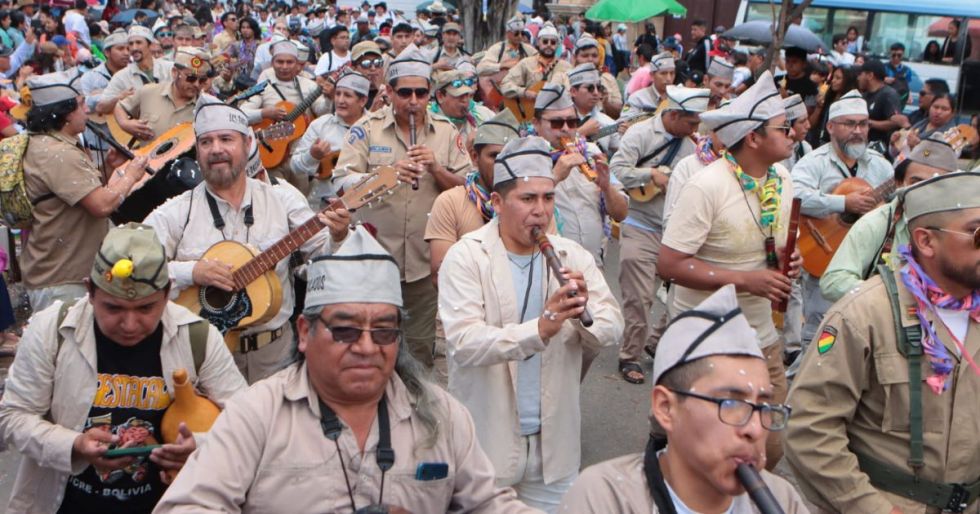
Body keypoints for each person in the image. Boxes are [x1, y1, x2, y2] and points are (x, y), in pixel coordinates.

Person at [154, 227, 538, 513]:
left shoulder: (442, 414)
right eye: (346, 330)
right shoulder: (258, 414)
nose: (367, 347)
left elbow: (490, 504)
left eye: (384, 331)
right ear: (305, 333)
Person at [0, 223, 247, 513]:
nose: (129, 325)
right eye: (113, 309)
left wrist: (198, 446)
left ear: (167, 294)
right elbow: (13, 417)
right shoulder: (53, 330)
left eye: (145, 309)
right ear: (90, 292)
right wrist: (74, 445)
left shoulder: (197, 337)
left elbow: (246, 422)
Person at [439, 136, 623, 513]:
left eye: (548, 198)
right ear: (496, 203)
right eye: (527, 199)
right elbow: (464, 342)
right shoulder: (466, 257)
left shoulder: (573, 255)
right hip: (486, 445)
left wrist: (583, 313)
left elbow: (611, 327)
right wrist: (542, 327)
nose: (540, 211)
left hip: (553, 448)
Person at [785, 171, 980, 514]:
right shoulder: (864, 315)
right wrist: (871, 508)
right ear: (926, 241)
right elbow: (809, 429)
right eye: (977, 233)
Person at [143, 102, 350, 384]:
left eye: (226, 139)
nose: (216, 149)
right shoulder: (175, 212)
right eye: (206, 142)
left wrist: (337, 237)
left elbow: (319, 266)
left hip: (275, 356)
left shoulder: (283, 200)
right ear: (198, 151)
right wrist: (191, 272)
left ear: (247, 142)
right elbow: (135, 270)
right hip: (202, 361)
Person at [558, 285, 809, 513]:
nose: (755, 429)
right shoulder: (606, 499)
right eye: (731, 404)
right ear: (666, 407)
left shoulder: (784, 499)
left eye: (764, 406)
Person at [659, 71, 799, 469]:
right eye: (783, 127)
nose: (792, 133)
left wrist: (790, 260)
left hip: (761, 334)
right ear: (753, 138)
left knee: (767, 447)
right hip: (705, 334)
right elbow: (669, 264)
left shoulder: (783, 178)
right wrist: (745, 279)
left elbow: (774, 244)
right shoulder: (707, 185)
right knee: (705, 449)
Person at [331, 43, 472, 368]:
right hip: (373, 259)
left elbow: (470, 187)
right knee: (370, 349)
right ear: (389, 92)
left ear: (429, 95)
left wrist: (436, 169)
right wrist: (388, 176)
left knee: (420, 354)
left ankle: (415, 415)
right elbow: (342, 183)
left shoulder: (448, 134)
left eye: (420, 93)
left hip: (424, 265)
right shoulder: (365, 130)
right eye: (404, 92)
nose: (413, 101)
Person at [21, 71, 149, 312]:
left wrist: (109, 167)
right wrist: (131, 174)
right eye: (80, 105)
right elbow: (101, 205)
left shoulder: (50, 144)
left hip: (62, 272)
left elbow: (77, 192)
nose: (86, 111)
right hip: (62, 279)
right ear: (63, 114)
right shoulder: (59, 154)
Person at [789, 89, 894, 372]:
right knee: (821, 330)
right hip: (823, 257)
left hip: (866, 265)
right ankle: (800, 389)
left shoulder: (882, 167)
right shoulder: (815, 162)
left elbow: (896, 206)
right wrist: (842, 202)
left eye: (863, 124)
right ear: (831, 126)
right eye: (849, 124)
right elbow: (794, 195)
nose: (858, 131)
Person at [611, 85, 708, 384]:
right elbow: (617, 169)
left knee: (683, 296)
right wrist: (650, 175)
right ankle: (630, 356)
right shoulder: (640, 134)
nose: (696, 129)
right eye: (692, 123)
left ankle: (654, 342)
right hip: (640, 224)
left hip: (676, 233)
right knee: (639, 298)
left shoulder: (695, 147)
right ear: (675, 115)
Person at [425, 110, 521, 382]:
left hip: (518, 327)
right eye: (493, 156)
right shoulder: (451, 202)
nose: (502, 164)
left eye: (508, 156)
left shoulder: (528, 205)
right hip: (461, 329)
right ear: (475, 158)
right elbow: (440, 275)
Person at [820, 136, 957, 305]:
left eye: (936, 185)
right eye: (916, 182)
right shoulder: (876, 222)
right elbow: (833, 281)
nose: (925, 191)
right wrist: (891, 297)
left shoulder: (964, 230)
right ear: (900, 183)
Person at [531, 80, 627, 268]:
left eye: (572, 122)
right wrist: (555, 176)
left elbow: (621, 213)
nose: (566, 129)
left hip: (592, 263)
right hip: (547, 264)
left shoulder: (591, 152)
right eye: (557, 123)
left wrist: (607, 187)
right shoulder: (523, 157)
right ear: (536, 124)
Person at [240, 40, 330, 194]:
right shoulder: (263, 85)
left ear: (297, 64)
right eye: (279, 62)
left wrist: (329, 97)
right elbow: (241, 114)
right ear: (272, 62)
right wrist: (264, 113)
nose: (284, 66)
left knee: (301, 200)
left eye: (290, 62)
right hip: (271, 154)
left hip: (298, 156)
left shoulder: (308, 85)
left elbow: (323, 112)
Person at [291, 71, 370, 208]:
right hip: (325, 206)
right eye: (338, 94)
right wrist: (312, 156)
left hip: (366, 205)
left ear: (362, 101)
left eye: (347, 95)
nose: (340, 100)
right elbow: (295, 167)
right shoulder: (321, 125)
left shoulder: (375, 126)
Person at [114, 47, 214, 143]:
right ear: (175, 73)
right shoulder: (149, 91)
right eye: (191, 78)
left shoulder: (206, 108)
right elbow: (120, 106)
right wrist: (125, 123)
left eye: (202, 80)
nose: (196, 84)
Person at [96, 26, 174, 117]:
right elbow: (100, 108)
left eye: (138, 43)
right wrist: (119, 98)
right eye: (131, 44)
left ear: (151, 45)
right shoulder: (122, 76)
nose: (134, 48)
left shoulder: (169, 68)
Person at [500, 23, 571, 104]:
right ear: (538, 42)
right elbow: (505, 85)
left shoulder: (566, 67)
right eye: (545, 41)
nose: (549, 45)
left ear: (557, 45)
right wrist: (525, 93)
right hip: (530, 112)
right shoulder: (526, 63)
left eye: (553, 42)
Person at [557, 34, 622, 118]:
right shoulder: (562, 78)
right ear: (575, 57)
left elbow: (619, 113)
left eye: (594, 56)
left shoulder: (607, 78)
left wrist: (606, 103)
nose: (590, 59)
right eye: (585, 56)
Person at [565, 63, 619, 155]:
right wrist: (580, 132)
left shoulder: (608, 123)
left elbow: (621, 154)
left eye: (598, 88)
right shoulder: (559, 120)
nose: (596, 93)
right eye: (590, 88)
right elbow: (552, 148)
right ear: (573, 92)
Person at [430, 68, 493, 143]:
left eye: (467, 95)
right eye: (458, 96)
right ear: (440, 96)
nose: (465, 100)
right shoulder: (428, 123)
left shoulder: (484, 115)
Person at [857, 59, 903, 150]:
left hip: (880, 150)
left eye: (861, 74)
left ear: (870, 75)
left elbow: (895, 122)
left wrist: (868, 123)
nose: (858, 78)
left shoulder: (888, 95)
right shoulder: (864, 95)